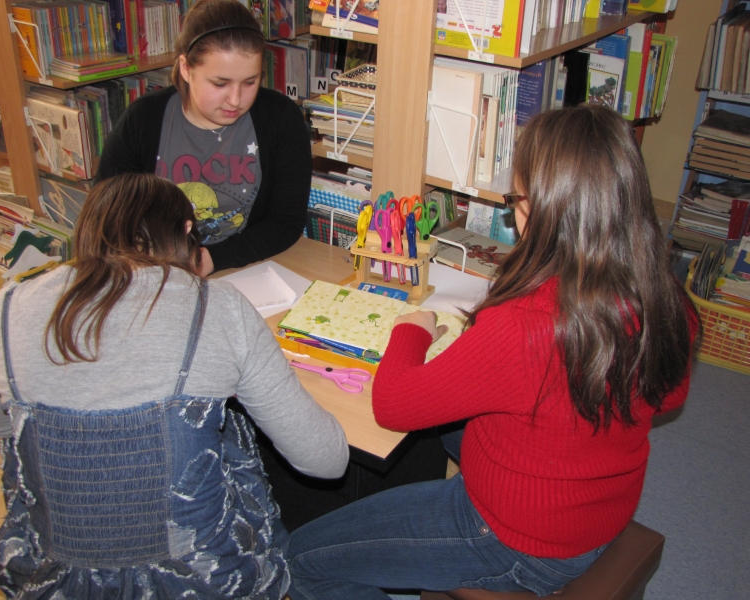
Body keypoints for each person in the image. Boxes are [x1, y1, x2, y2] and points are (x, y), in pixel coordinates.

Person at [286, 104, 701, 599]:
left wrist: (413, 330)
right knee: (446, 417)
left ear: (545, 211)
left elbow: (393, 405)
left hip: (517, 541)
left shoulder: (525, 326)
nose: (512, 211)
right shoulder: (667, 298)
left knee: (301, 562)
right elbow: (668, 397)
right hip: (600, 510)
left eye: (515, 200)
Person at [0, 173, 348, 599]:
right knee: (233, 425)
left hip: (55, 577)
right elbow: (326, 462)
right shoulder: (221, 306)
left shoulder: (8, 304)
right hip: (200, 579)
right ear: (187, 230)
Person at [95, 0, 312, 277]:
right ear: (186, 68)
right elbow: (105, 218)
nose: (235, 99)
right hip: (153, 271)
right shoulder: (142, 121)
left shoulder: (280, 119)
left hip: (243, 268)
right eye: (220, 83)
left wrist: (212, 259)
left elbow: (286, 222)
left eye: (250, 82)